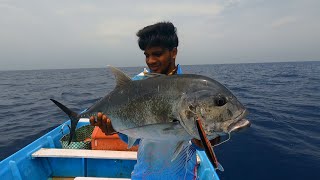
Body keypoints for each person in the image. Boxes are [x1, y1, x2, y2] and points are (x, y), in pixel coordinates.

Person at [90, 22, 206, 180]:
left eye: (157, 54)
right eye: (146, 55)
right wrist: (114, 129)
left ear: (173, 52)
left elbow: (197, 142)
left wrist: (204, 143)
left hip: (181, 175)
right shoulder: (136, 85)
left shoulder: (189, 90)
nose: (150, 61)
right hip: (143, 174)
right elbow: (135, 137)